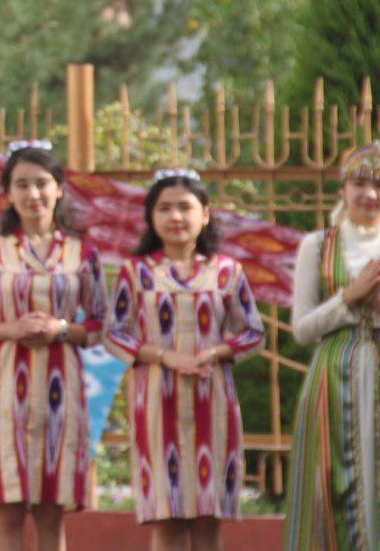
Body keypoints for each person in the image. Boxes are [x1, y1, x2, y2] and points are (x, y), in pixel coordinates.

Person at [0, 140, 107, 551]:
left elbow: (101, 325)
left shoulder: (83, 254)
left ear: (59, 188)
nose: (32, 194)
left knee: (51, 512)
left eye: (41, 183)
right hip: (4, 393)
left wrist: (60, 328)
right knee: (8, 508)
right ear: (8, 193)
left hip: (62, 393)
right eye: (22, 184)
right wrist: (12, 329)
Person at [105, 169, 264, 551]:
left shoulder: (227, 271)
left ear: (205, 214)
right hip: (157, 404)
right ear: (151, 216)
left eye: (185, 207)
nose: (175, 216)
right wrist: (166, 357)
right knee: (167, 518)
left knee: (208, 519)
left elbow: (253, 332)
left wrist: (215, 352)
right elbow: (114, 333)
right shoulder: (136, 272)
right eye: (164, 208)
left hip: (214, 402)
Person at [284, 142, 380, 550]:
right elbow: (302, 329)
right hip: (332, 379)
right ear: (342, 189)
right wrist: (347, 298)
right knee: (328, 483)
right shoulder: (317, 246)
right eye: (359, 183)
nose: (370, 194)